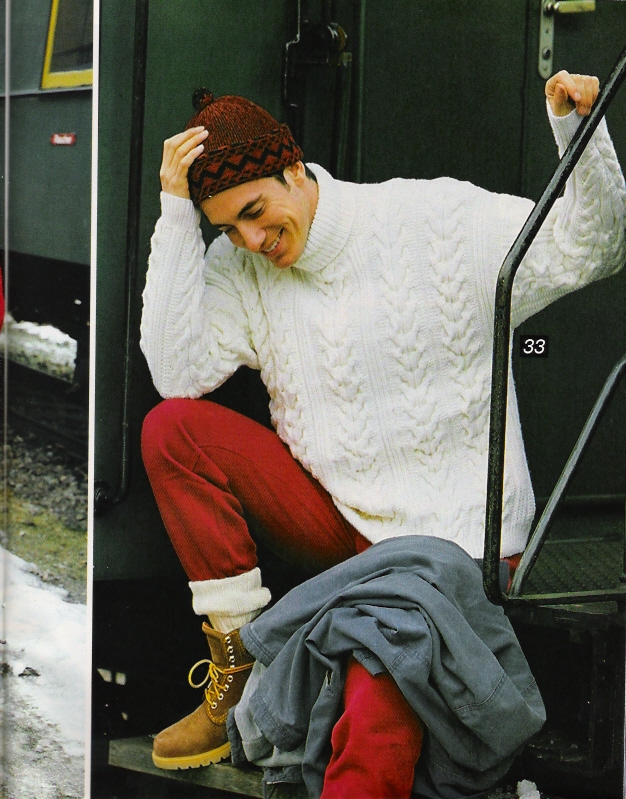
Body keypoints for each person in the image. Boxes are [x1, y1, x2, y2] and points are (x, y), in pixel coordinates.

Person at [140, 71, 625, 796]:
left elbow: (594, 248)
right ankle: (237, 664)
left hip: (455, 544)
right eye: (228, 227)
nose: (251, 239)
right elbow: (176, 372)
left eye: (255, 212)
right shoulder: (239, 265)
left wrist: (577, 129)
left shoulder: (435, 217)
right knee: (173, 428)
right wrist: (177, 216)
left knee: (378, 706)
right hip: (344, 525)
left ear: (293, 169)